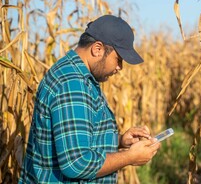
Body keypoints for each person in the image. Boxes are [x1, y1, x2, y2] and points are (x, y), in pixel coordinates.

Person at [19, 15, 161, 183]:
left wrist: (119, 140)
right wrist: (129, 157)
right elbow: (76, 164)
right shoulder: (72, 85)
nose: (119, 68)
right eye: (119, 59)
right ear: (98, 49)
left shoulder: (77, 75)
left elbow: (73, 138)